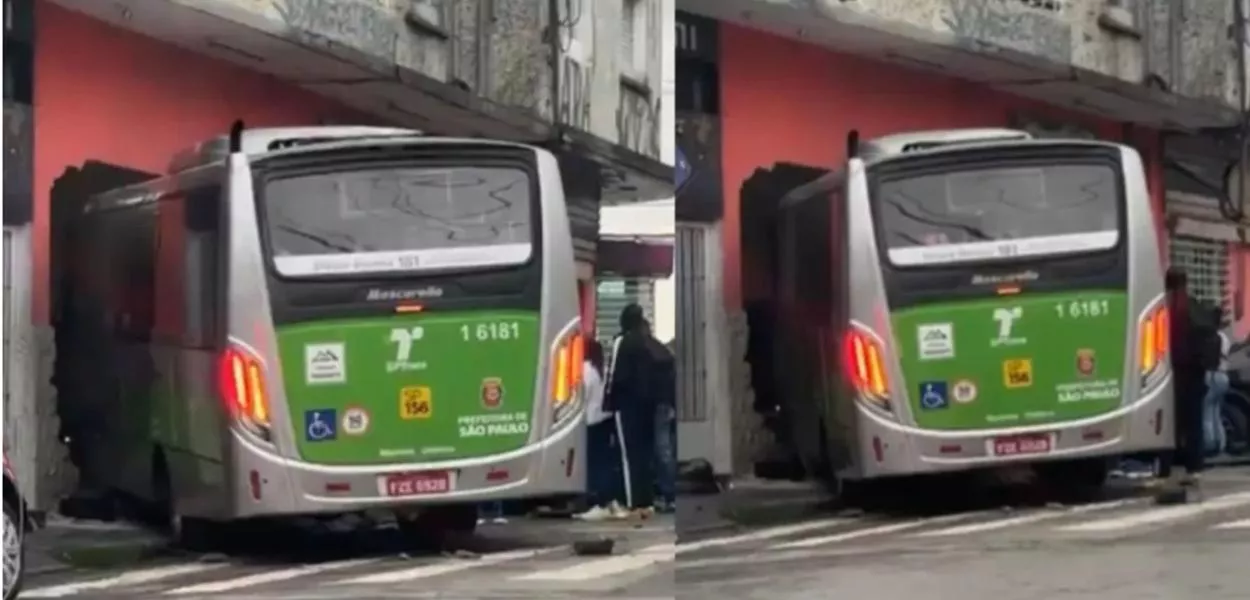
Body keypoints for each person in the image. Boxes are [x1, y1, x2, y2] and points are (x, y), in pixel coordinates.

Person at [604, 304, 660, 515]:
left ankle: (632, 501)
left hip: (626, 405)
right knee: (644, 454)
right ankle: (646, 499)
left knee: (628, 455)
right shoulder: (647, 342)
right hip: (647, 406)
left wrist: (609, 403)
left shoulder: (622, 341)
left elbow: (614, 375)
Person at [574, 340, 628, 521]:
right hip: (604, 421)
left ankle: (599, 503)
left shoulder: (585, 370)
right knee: (604, 464)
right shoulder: (601, 370)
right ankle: (608, 501)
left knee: (593, 466)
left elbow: (581, 399)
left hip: (590, 422)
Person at [652, 336, 677, 513]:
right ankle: (668, 493)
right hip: (667, 407)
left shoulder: (661, 359)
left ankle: (668, 493)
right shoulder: (667, 357)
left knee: (663, 451)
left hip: (662, 407)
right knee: (667, 451)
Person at [1203, 306, 1231, 458]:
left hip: (1212, 375)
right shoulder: (1225, 338)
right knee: (1216, 412)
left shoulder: (1214, 337)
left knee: (1206, 411)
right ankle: (1221, 444)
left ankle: (1209, 445)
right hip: (1223, 376)